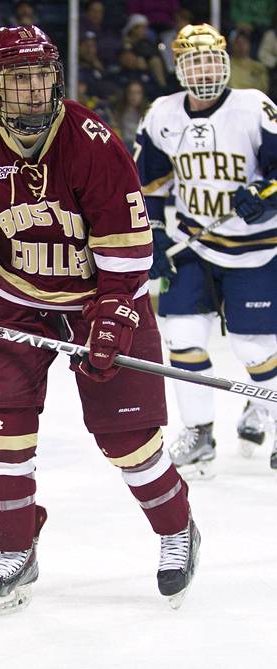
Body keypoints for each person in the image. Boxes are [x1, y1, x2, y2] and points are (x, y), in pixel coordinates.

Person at [0, 25, 200, 616]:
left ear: (56, 76)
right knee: (1, 426)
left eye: (41, 76)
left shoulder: (94, 142)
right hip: (17, 297)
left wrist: (112, 317)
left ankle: (177, 528)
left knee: (127, 439)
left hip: (99, 299)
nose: (31, 89)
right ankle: (16, 549)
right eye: (17, 78)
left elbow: (127, 260)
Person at [135, 23, 277, 477]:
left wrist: (264, 194)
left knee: (253, 346)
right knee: (181, 336)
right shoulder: (161, 114)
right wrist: (155, 235)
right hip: (194, 243)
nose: (204, 70)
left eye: (211, 60)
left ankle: (266, 412)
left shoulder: (254, 107)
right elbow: (150, 184)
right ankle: (199, 432)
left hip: (257, 250)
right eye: (194, 62)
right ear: (179, 68)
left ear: (226, 64)